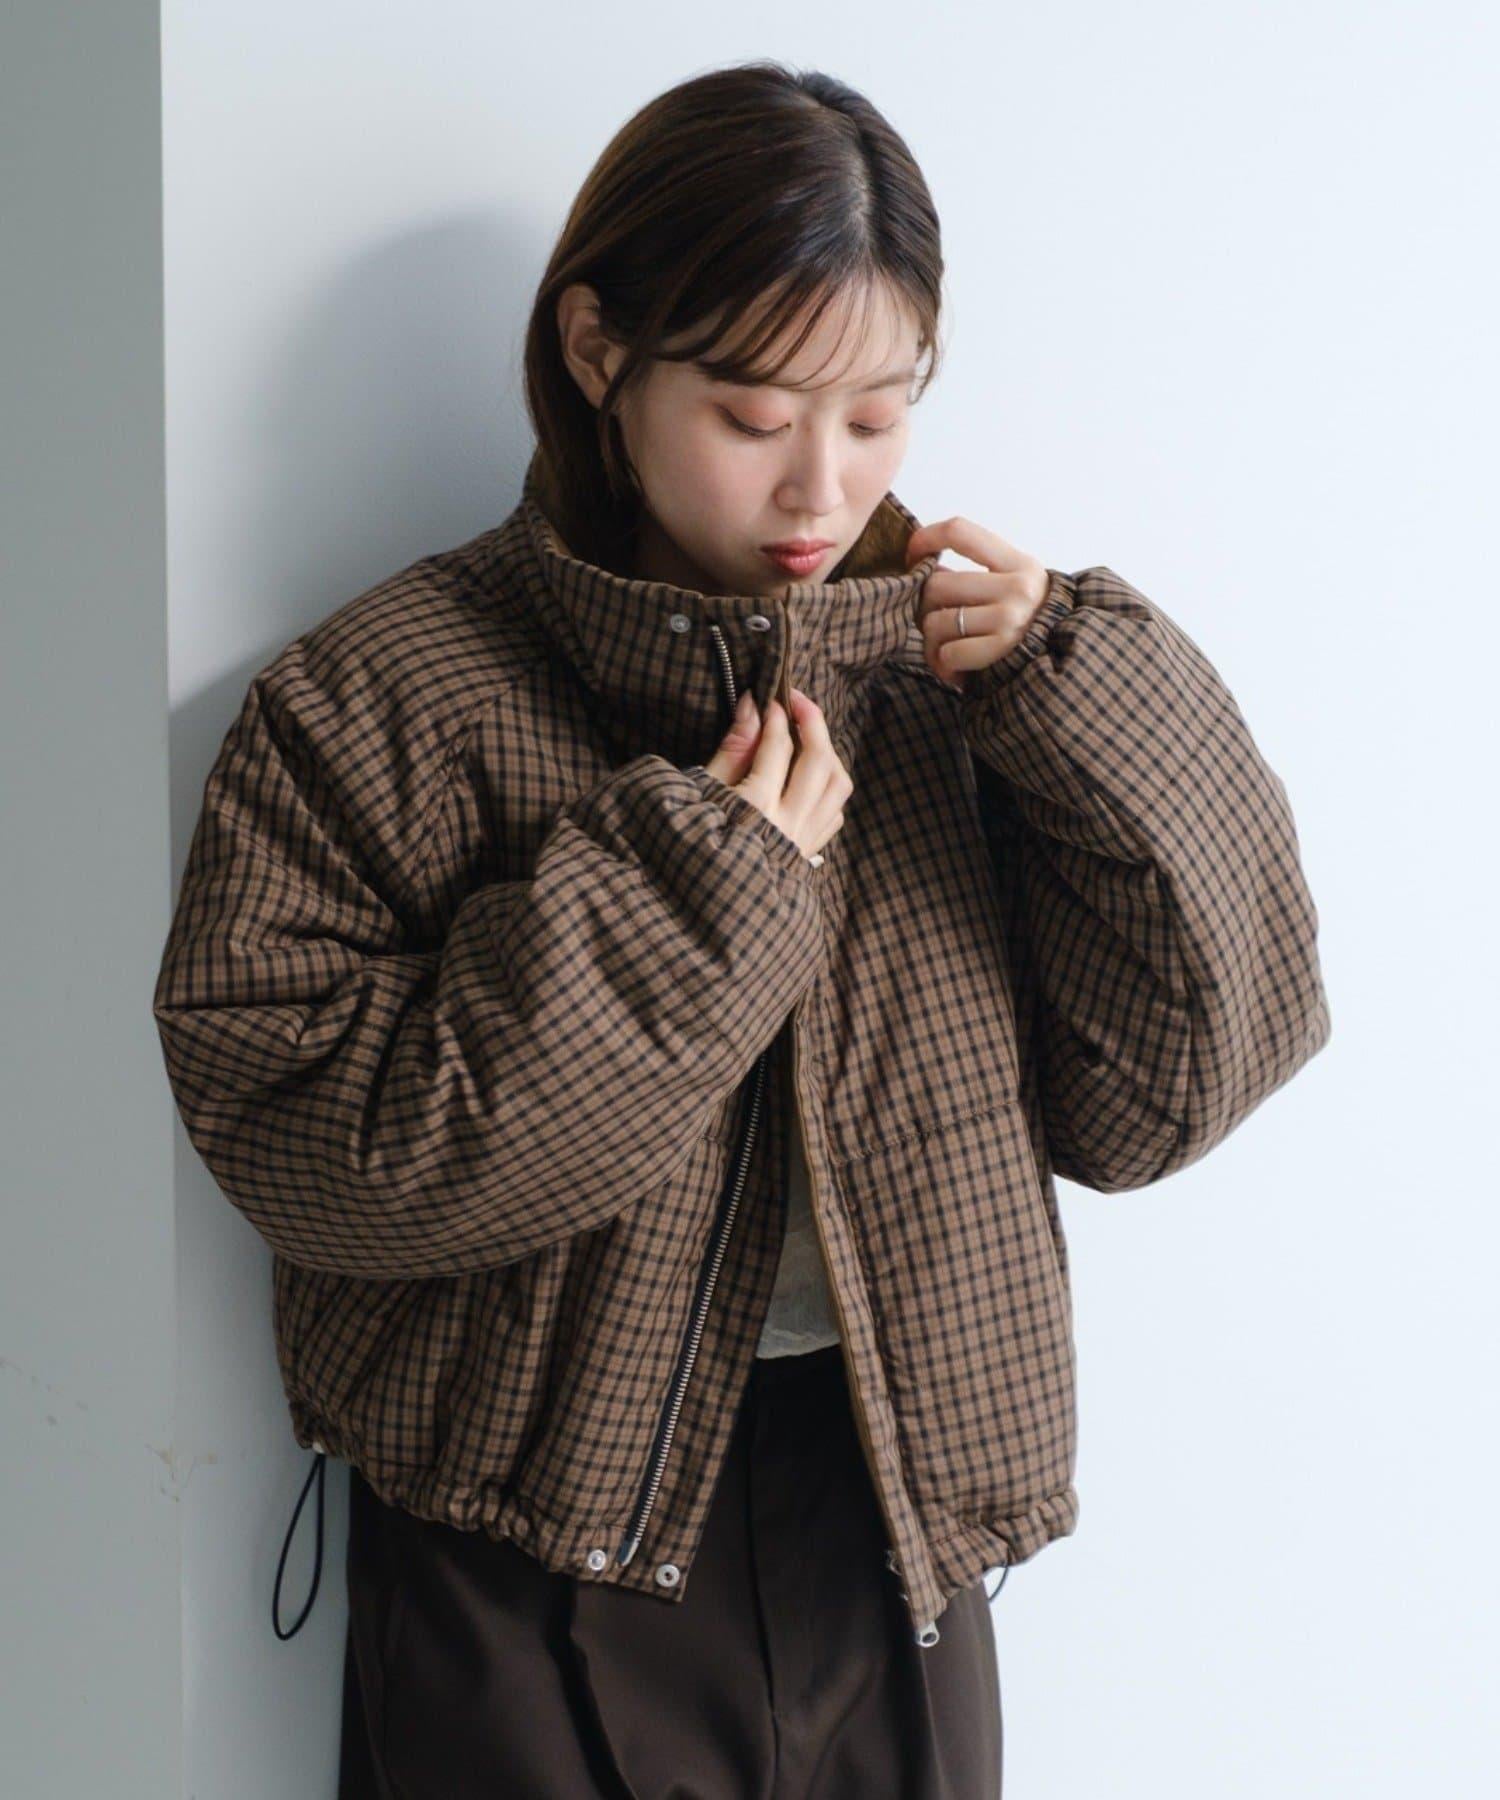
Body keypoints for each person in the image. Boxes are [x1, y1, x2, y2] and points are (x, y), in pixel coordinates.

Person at [151, 59, 1331, 1800]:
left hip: (893, 1509)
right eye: (757, 416)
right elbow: (316, 1152)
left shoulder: (960, 686)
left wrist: (1095, 707)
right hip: (520, 1539)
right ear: (597, 353)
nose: (820, 491)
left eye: (880, 415)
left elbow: (1167, 1095)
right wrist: (698, 898)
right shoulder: (381, 699)